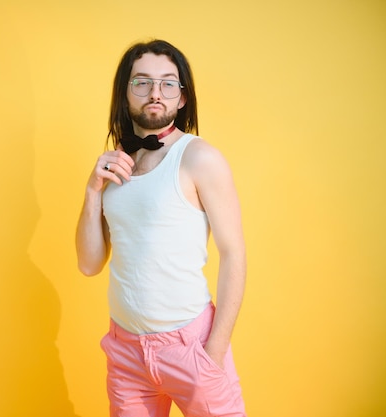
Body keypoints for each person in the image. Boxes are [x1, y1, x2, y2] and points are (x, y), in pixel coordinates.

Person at [75, 39, 247, 417]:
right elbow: (89, 264)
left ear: (182, 98)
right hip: (125, 351)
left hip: (191, 345)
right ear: (125, 93)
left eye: (168, 83)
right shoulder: (117, 164)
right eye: (142, 82)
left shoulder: (199, 158)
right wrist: (92, 190)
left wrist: (214, 351)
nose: (155, 93)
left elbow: (234, 253)